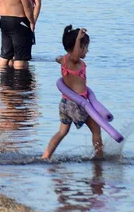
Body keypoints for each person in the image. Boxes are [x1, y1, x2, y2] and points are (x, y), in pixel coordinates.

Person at [42, 27, 103, 159]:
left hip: (65, 103)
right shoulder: (74, 61)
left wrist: (61, 57)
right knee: (96, 129)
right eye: (86, 47)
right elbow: (75, 55)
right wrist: (78, 38)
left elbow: (59, 58)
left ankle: (45, 157)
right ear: (78, 47)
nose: (87, 50)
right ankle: (99, 158)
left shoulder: (65, 60)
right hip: (77, 104)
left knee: (62, 132)